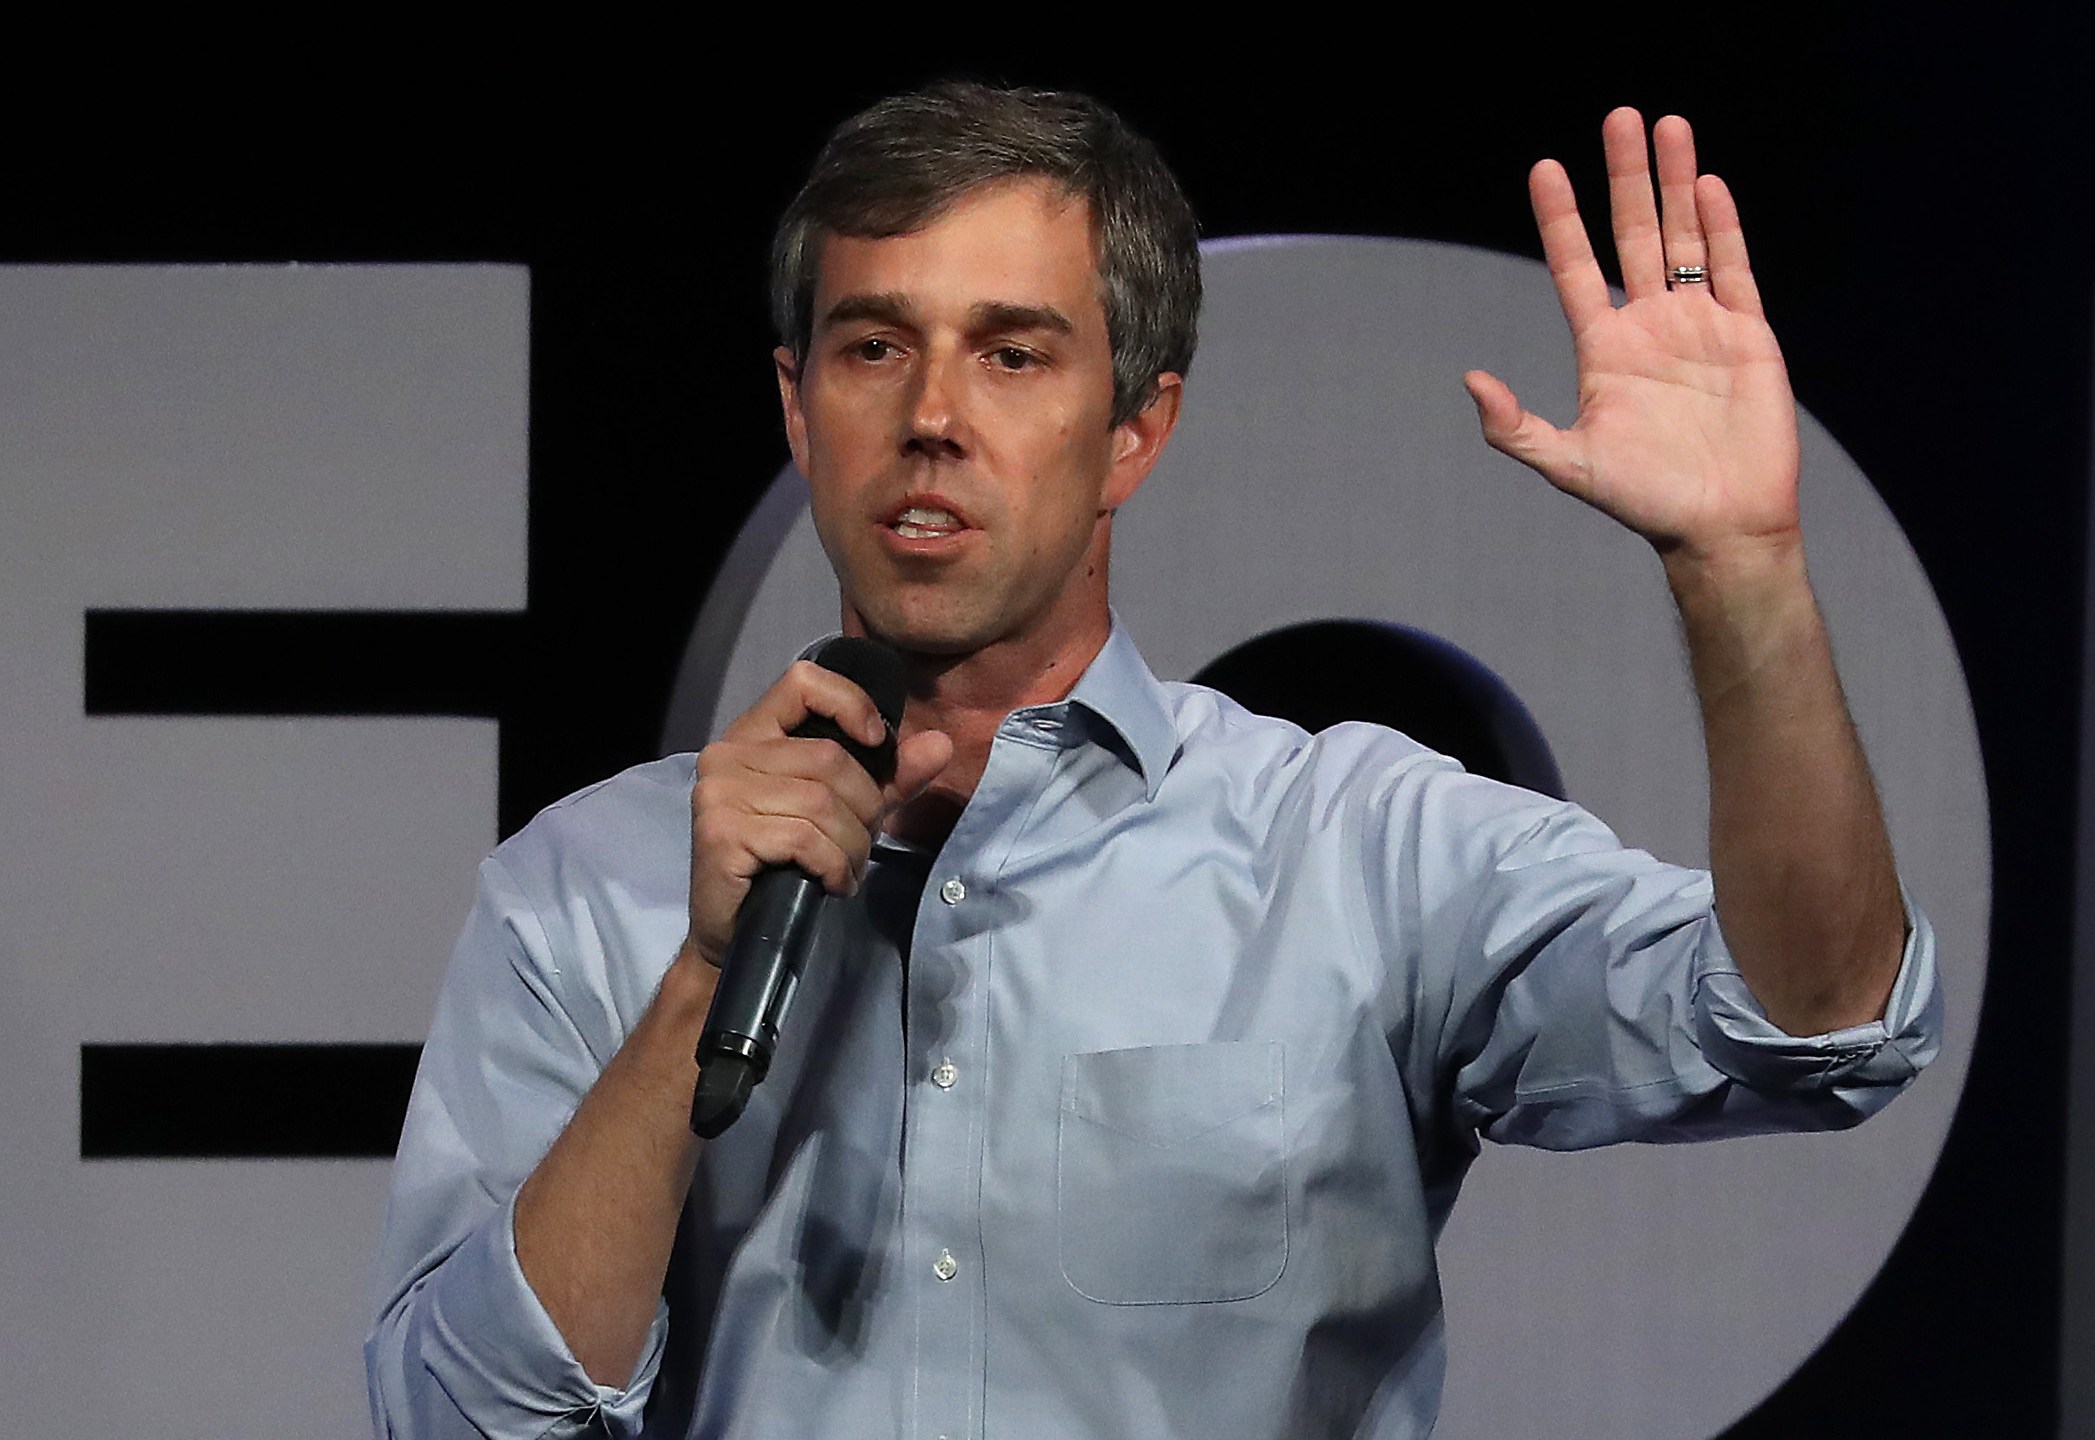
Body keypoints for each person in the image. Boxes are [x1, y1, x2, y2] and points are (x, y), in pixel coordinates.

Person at [366, 84, 1939, 1439]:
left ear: (1137, 426)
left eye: (1013, 354)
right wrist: (703, 976)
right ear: (797, 405)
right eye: (870, 346)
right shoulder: (583, 893)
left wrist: (1742, 574)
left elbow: (1815, 1026)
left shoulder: (1356, 854)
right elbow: (460, 1420)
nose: (929, 417)